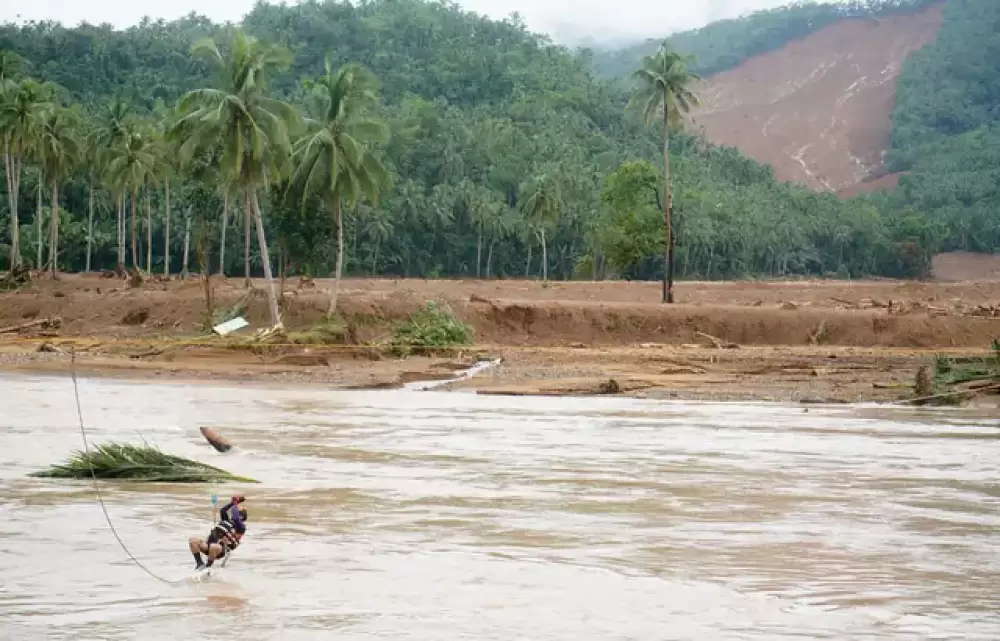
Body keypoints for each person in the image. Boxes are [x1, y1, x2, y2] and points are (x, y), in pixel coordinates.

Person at [188, 495, 248, 570]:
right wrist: (232, 503)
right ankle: (199, 564)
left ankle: (208, 568)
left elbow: (236, 517)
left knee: (214, 546)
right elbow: (223, 510)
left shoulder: (241, 527)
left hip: (220, 549)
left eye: (239, 509)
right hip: (208, 546)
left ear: (241, 516)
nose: (236, 508)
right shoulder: (226, 520)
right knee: (193, 541)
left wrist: (236, 503)